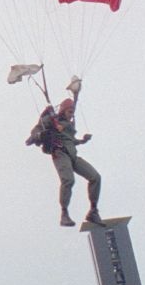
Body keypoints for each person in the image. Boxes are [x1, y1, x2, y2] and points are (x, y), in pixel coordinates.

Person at [28, 96, 101, 227]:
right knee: (68, 180)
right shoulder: (51, 120)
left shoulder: (68, 126)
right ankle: (64, 214)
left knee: (95, 177)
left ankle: (93, 211)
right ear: (63, 110)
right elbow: (36, 131)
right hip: (60, 154)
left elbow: (70, 140)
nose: (72, 114)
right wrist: (39, 136)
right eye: (70, 110)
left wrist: (83, 140)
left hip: (73, 156)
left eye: (73, 111)